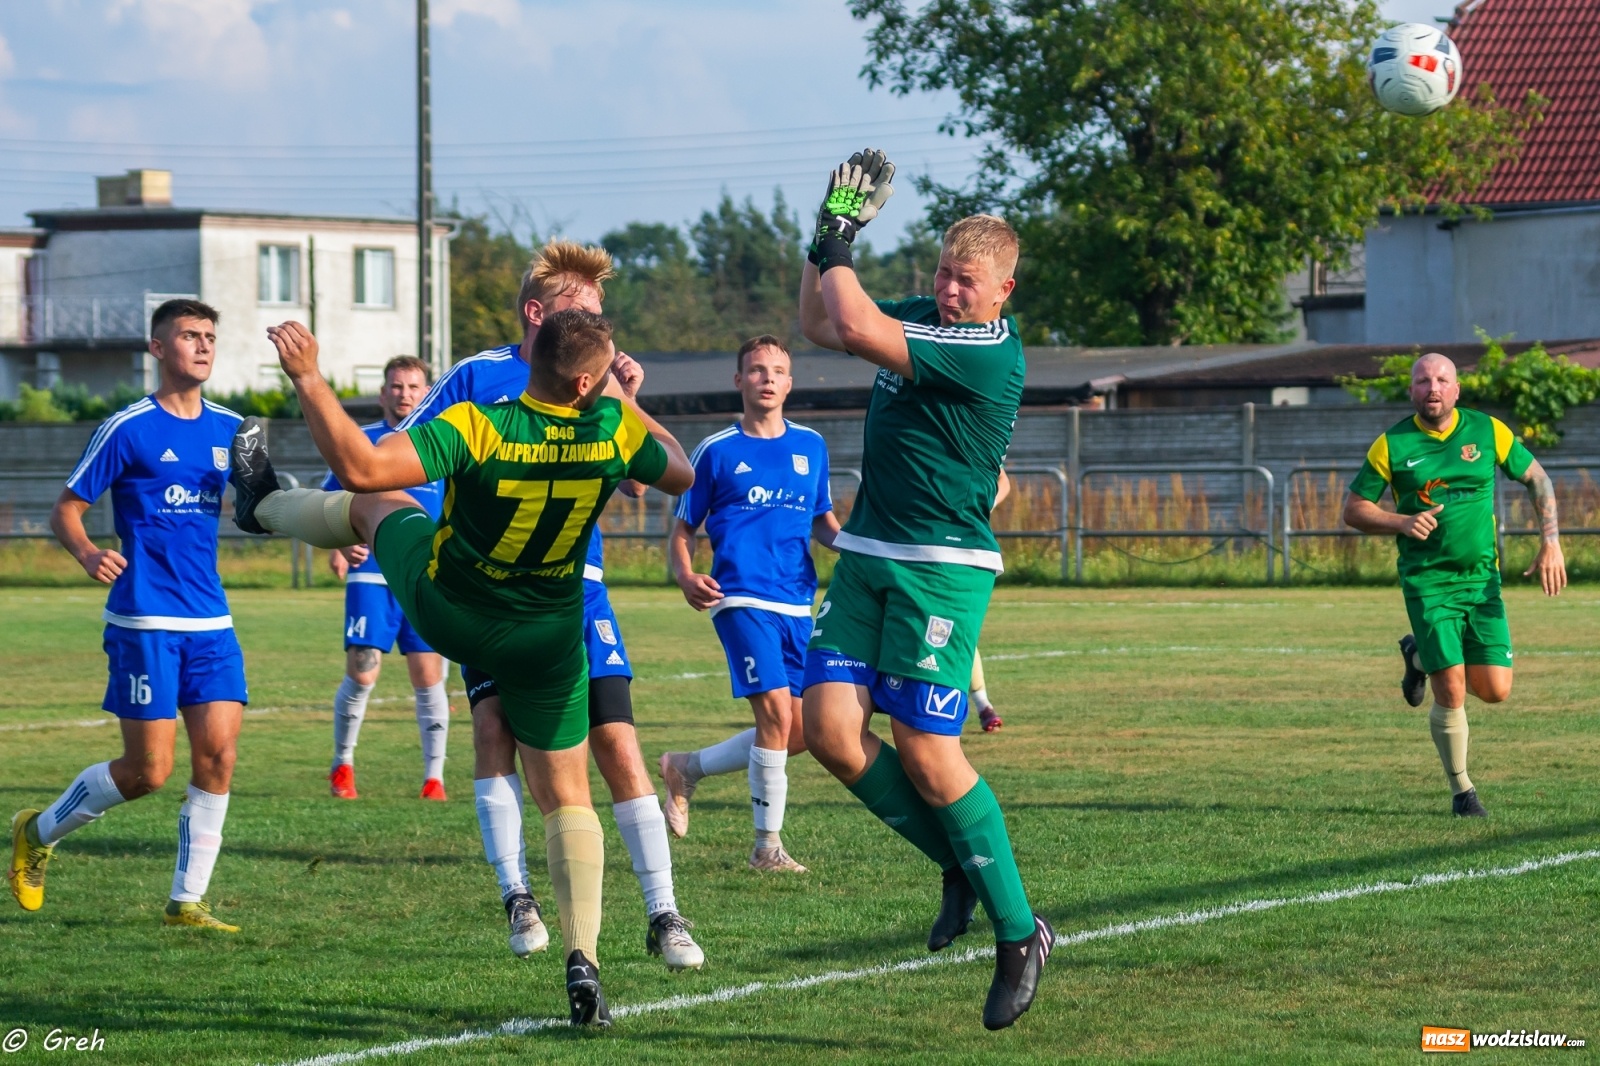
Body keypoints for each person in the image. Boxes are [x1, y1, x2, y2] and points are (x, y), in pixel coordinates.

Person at [228, 308, 693, 1026]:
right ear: (583, 384)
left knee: (378, 502)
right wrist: (626, 402)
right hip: (547, 634)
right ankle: (584, 962)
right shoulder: (614, 429)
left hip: (457, 611)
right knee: (569, 797)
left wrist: (309, 377)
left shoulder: (481, 424)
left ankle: (261, 510)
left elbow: (359, 466)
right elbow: (683, 471)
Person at [795, 149, 1052, 1031]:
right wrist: (821, 234)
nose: (950, 291)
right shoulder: (927, 317)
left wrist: (841, 236)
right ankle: (956, 859)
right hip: (869, 550)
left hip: (942, 568)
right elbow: (822, 324)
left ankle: (1019, 933)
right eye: (944, 273)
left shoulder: (984, 348)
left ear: (1003, 292)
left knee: (928, 751)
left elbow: (857, 327)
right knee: (828, 731)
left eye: (968, 281)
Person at [394, 239, 703, 971]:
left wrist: (626, 398)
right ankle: (517, 894)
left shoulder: (599, 385)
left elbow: (643, 480)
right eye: (582, 312)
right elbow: (404, 451)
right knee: (494, 730)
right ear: (538, 313)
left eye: (601, 315)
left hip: (577, 591)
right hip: (490, 592)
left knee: (619, 742)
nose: (598, 327)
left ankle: (663, 911)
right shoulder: (478, 377)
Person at [9, 299, 247, 932]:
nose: (202, 346)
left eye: (210, 336)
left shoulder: (233, 428)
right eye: (189, 336)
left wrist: (339, 528)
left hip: (211, 621)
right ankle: (38, 831)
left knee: (218, 758)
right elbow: (67, 508)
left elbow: (265, 504)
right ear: (157, 349)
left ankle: (186, 902)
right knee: (148, 772)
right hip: (144, 620)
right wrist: (89, 554)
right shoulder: (128, 427)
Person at [1342, 352, 1565, 817]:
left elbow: (1538, 479)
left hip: (1483, 581)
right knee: (1453, 687)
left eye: (1442, 379)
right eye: (1423, 381)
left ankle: (1416, 655)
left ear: (1457, 389)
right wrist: (1400, 521)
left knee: (1496, 689)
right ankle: (1463, 792)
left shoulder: (1488, 430)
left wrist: (1551, 542)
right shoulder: (1392, 444)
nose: (1433, 388)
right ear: (1412, 391)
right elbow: (1354, 509)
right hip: (1428, 582)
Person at [659, 335, 840, 872]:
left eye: (777, 370)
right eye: (756, 370)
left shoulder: (812, 446)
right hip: (738, 596)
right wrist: (686, 575)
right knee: (776, 714)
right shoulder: (716, 450)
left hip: (796, 601)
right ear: (739, 381)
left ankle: (687, 767)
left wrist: (867, 549)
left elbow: (825, 526)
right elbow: (682, 530)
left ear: (790, 382)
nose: (766, 378)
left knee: (805, 729)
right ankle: (767, 848)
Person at [323, 356, 449, 801]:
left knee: (428, 677)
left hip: (428, 578)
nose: (405, 394)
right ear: (383, 394)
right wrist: (340, 545)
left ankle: (434, 778)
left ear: (426, 391)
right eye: (396, 387)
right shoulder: (362, 443)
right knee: (362, 674)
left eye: (414, 387)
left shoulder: (439, 443)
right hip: (372, 577)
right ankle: (343, 766)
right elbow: (326, 503)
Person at [971, 468, 1012, 733]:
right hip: (914, 548)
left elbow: (1002, 480)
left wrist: (985, 504)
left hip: (966, 553)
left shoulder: (973, 435)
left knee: (956, 632)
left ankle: (982, 703)